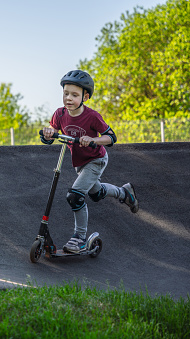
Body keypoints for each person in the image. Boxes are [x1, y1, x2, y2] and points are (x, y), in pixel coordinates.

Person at [41, 70, 138, 253]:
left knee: (75, 196)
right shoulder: (60, 114)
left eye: (74, 95)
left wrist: (93, 139)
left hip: (96, 159)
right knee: (97, 193)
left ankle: (80, 238)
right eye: (66, 93)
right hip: (80, 163)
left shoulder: (92, 116)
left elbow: (111, 137)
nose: (69, 98)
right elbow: (52, 133)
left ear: (85, 96)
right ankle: (125, 193)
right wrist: (48, 133)